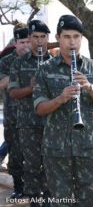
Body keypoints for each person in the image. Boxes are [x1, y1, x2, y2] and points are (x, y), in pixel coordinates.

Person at [33, 15, 93, 207]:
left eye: (76, 37)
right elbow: (39, 108)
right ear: (58, 38)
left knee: (86, 201)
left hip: (88, 147)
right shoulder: (45, 70)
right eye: (67, 36)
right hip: (56, 149)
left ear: (81, 39)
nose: (72, 41)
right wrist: (60, 99)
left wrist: (89, 87)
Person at [8, 19, 52, 206]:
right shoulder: (18, 63)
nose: (39, 41)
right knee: (32, 164)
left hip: (52, 122)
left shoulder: (56, 61)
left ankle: (50, 198)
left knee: (51, 163)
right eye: (35, 37)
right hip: (28, 123)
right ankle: (34, 200)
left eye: (43, 37)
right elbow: (13, 93)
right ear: (29, 38)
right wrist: (31, 87)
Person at [0, 23, 30, 198]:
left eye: (28, 41)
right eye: (22, 42)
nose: (25, 46)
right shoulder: (6, 62)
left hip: (35, 116)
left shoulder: (39, 58)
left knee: (36, 155)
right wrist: (18, 72)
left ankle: (37, 187)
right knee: (16, 154)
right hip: (14, 116)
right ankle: (19, 187)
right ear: (16, 43)